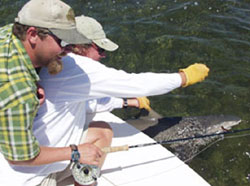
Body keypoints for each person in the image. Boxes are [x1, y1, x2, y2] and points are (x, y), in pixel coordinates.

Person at [0, 13, 209, 186]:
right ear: (81, 46)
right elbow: (137, 83)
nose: (102, 56)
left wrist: (128, 103)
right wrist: (183, 78)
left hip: (13, 157)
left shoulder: (40, 63)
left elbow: (86, 101)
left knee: (102, 128)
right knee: (97, 142)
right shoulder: (77, 69)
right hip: (29, 176)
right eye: (99, 49)